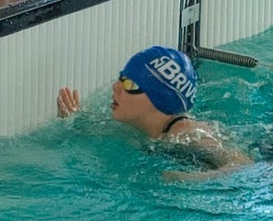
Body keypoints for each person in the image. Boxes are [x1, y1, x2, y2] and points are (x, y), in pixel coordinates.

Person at [57, 45, 250, 173]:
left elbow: (245, 167)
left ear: (159, 98)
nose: (116, 87)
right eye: (121, 78)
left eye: (130, 85)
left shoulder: (187, 134)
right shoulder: (142, 125)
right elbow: (101, 130)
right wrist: (76, 121)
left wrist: (185, 179)